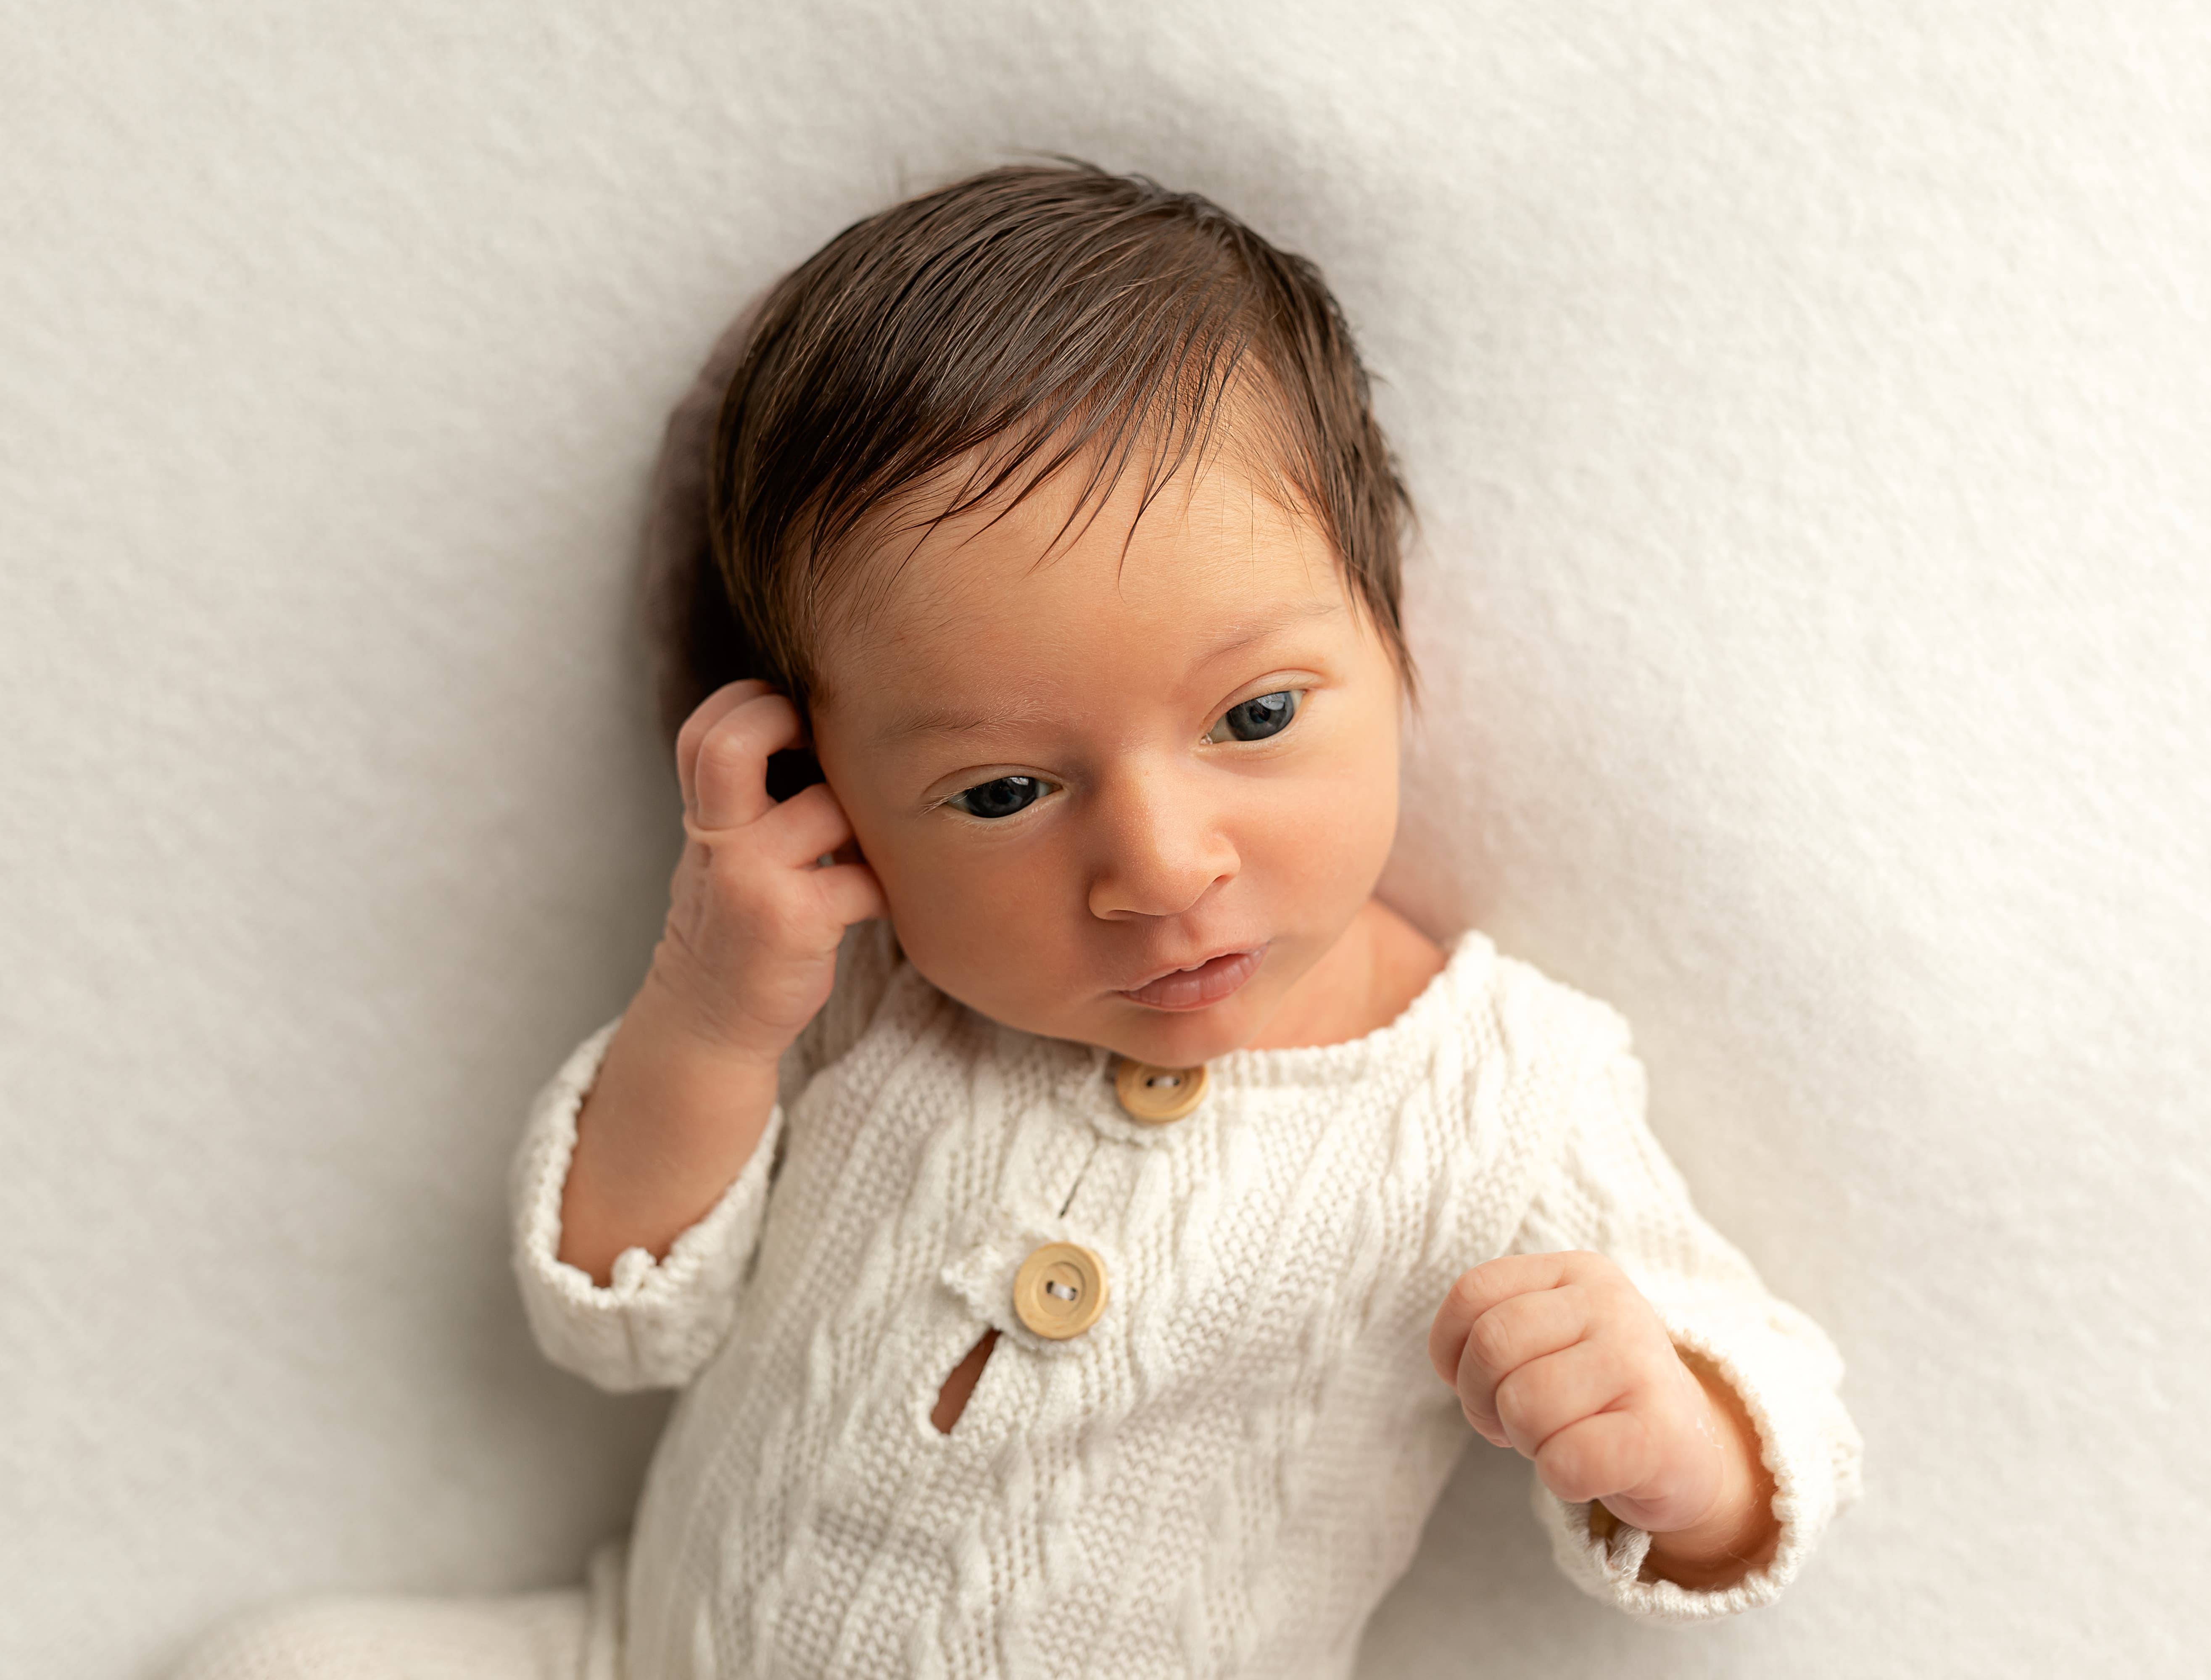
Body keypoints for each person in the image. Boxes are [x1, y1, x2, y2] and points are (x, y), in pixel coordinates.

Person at [171, 161, 1862, 1680]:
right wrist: (713, 1002)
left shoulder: (1493, 1096)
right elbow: (617, 1316)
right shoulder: (863, 988)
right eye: (999, 795)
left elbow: (1771, 1415)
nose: (1159, 866)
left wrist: (1680, 1443)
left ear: (1389, 633)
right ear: (825, 786)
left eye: (1256, 719)